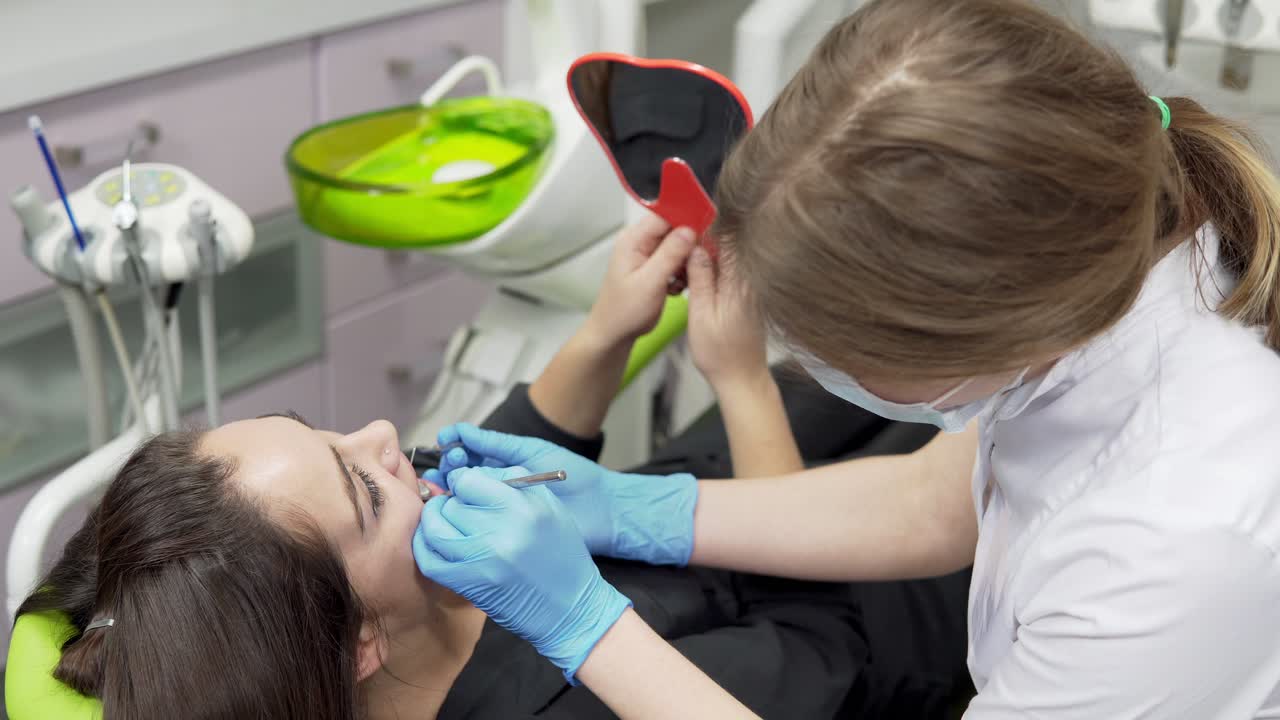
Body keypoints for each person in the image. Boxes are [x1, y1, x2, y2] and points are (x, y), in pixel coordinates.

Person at [412, 0, 1280, 717]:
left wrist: (586, 626)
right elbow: (932, 503)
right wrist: (635, 506)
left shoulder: (1172, 545)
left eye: (827, 350)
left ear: (978, 332)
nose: (381, 438)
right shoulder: (1121, 252)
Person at [11, 216, 964, 719]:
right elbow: (825, 641)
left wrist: (607, 329)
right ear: (357, 646)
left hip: (760, 475)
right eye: (360, 482)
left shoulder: (409, 586)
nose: (383, 431)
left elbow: (520, 441)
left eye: (326, 430)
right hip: (898, 597)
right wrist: (742, 380)